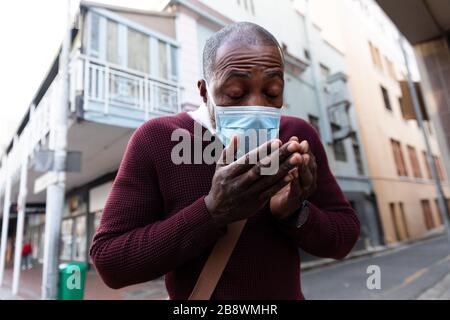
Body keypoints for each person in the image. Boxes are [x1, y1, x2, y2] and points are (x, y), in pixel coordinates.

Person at [90, 22, 360, 300]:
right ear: (204, 91)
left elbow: (344, 237)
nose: (256, 107)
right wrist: (212, 211)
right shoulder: (157, 139)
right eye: (235, 94)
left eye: (272, 92)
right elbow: (110, 262)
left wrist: (295, 212)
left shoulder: (297, 137)